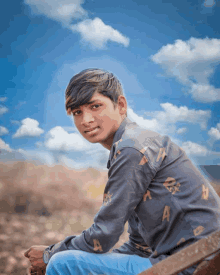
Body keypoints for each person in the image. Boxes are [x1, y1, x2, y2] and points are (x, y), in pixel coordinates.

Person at [24, 68, 220, 275]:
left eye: (95, 106)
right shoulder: (133, 145)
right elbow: (139, 247)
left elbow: (102, 236)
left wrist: (50, 254)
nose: (86, 120)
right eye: (77, 112)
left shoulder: (132, 148)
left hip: (194, 265)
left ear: (121, 105)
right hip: (179, 261)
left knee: (62, 263)